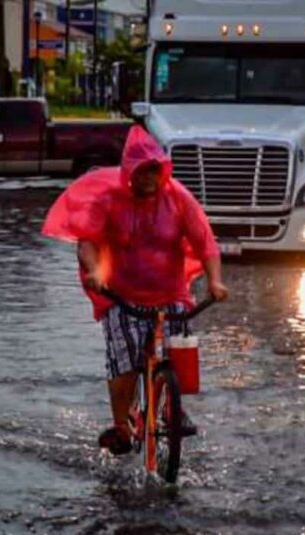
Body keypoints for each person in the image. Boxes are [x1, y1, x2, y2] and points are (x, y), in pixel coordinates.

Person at [41, 125, 228, 455]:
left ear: (163, 171)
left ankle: (172, 406)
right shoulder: (108, 201)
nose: (148, 178)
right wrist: (97, 270)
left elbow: (206, 244)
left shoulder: (179, 200)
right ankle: (121, 427)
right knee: (124, 362)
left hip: (171, 296)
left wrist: (214, 281)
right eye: (142, 171)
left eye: (154, 170)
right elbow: (88, 243)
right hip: (123, 298)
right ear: (130, 172)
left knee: (179, 358)